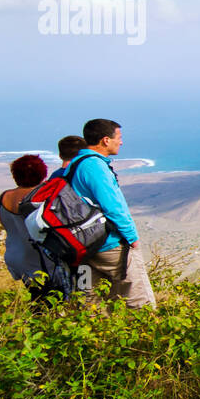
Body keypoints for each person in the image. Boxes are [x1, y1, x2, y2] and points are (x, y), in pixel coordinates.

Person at [67, 118, 156, 309]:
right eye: (119, 137)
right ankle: (147, 335)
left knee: (90, 302)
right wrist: (132, 238)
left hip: (83, 245)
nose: (121, 142)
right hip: (109, 245)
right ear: (106, 140)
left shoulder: (75, 164)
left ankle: (91, 336)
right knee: (138, 298)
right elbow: (114, 207)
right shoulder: (95, 166)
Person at [0, 154, 54, 299]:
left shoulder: (2, 198)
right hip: (41, 260)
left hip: (17, 257)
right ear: (42, 173)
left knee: (37, 298)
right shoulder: (42, 198)